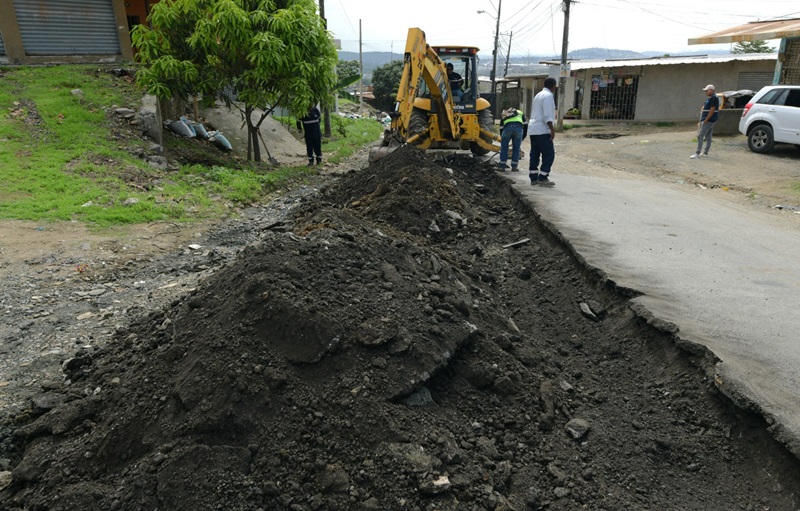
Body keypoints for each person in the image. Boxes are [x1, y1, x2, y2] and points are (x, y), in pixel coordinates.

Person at [528, 77, 557, 187]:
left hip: (533, 129)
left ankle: (533, 178)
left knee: (535, 154)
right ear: (553, 86)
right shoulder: (548, 96)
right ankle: (543, 177)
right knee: (549, 154)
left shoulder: (538, 95)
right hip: (542, 129)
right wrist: (552, 129)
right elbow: (547, 115)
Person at [691, 84, 719, 159]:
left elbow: (712, 109)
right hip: (709, 120)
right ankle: (705, 152)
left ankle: (697, 153)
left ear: (712, 90)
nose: (706, 92)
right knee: (708, 136)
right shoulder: (710, 98)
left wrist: (706, 119)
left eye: (707, 90)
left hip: (709, 120)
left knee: (700, 135)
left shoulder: (713, 98)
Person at [497, 107, 526, 172]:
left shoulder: (505, 113)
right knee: (516, 148)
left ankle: (502, 166)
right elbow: (525, 124)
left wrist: (502, 136)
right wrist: (523, 136)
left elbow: (501, 126)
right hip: (518, 129)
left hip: (507, 129)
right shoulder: (520, 113)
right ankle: (514, 167)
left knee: (504, 148)